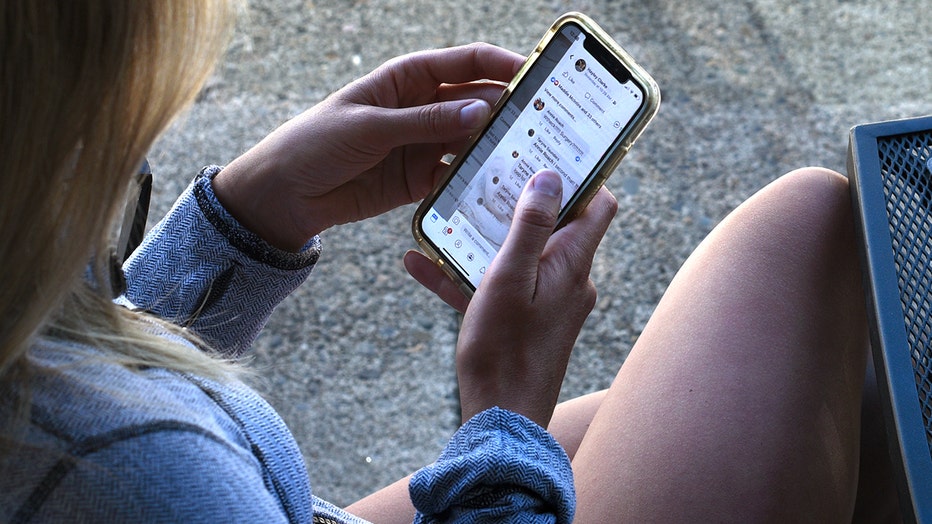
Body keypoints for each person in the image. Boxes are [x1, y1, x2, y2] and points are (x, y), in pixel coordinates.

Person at [0, 2, 887, 522]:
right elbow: (130, 438)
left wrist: (249, 214)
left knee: (745, 382)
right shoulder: (138, 476)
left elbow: (88, 359)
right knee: (805, 245)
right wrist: (504, 409)